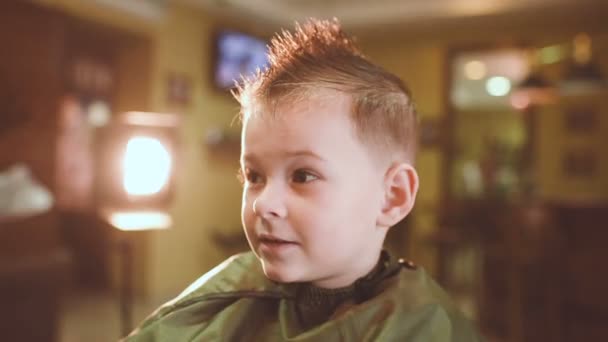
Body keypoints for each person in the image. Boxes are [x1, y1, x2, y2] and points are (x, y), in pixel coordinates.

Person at [124, 18, 481, 341]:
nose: (263, 202)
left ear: (392, 197)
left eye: (303, 175)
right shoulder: (227, 292)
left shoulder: (426, 329)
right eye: (254, 175)